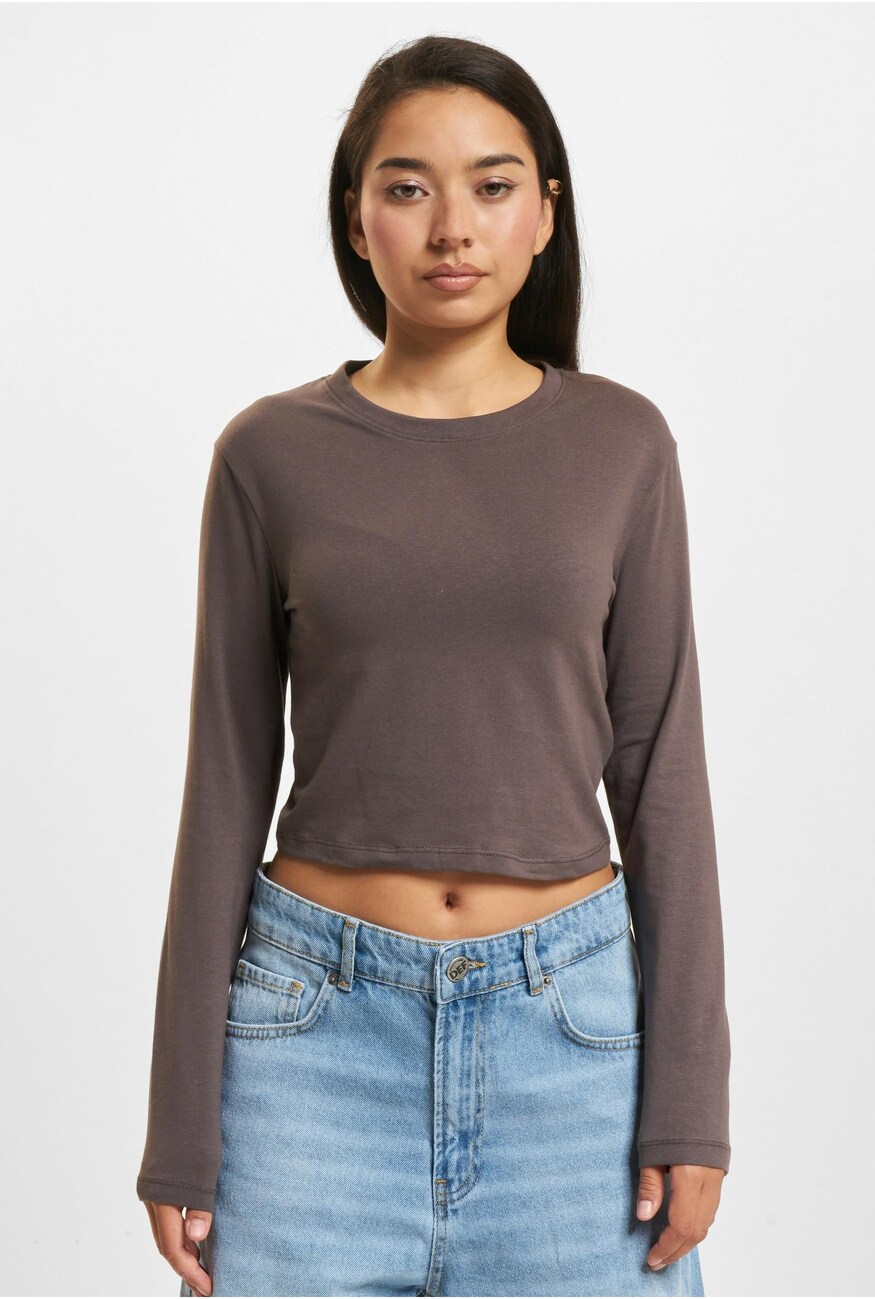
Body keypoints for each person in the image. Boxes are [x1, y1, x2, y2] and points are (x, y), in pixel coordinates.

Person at [137, 33, 731, 1299]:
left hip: (573, 1050)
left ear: (544, 216)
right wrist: (180, 1117)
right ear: (357, 219)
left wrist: (692, 1100)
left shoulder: (623, 446)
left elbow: (661, 776)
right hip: (309, 1048)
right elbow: (225, 787)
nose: (452, 226)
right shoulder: (269, 455)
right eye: (407, 188)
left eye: (492, 186)